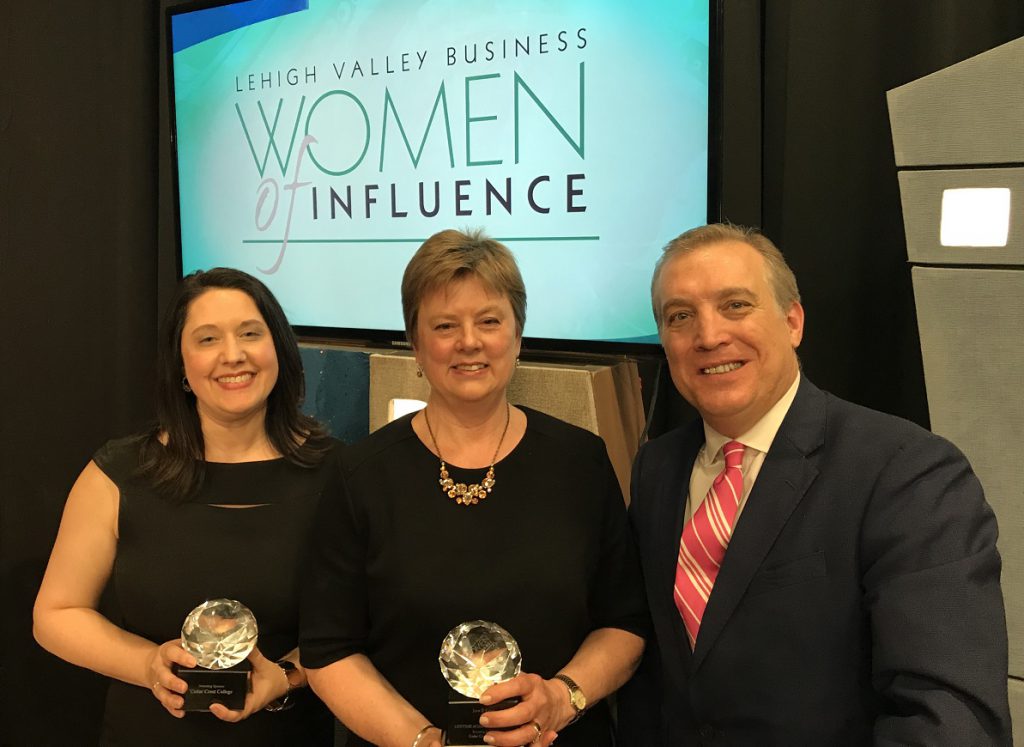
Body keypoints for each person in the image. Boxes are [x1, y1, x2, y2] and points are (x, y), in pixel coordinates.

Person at [617, 223, 1012, 745]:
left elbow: (951, 716)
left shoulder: (907, 472)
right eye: (680, 316)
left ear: (793, 321)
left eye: (735, 305)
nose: (708, 336)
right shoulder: (657, 468)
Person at [300, 229, 648, 747]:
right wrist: (423, 741)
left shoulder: (581, 461)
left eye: (489, 321)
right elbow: (329, 650)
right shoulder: (360, 475)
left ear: (517, 335)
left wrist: (562, 698)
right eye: (445, 325)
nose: (469, 341)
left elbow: (625, 623)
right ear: (416, 344)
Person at [33, 268, 340, 746]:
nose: (233, 355)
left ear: (278, 348)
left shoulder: (338, 473)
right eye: (208, 339)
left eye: (250, 334)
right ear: (180, 362)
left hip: (289, 732)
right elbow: (56, 614)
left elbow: (360, 624)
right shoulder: (118, 473)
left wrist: (286, 675)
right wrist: (147, 665)